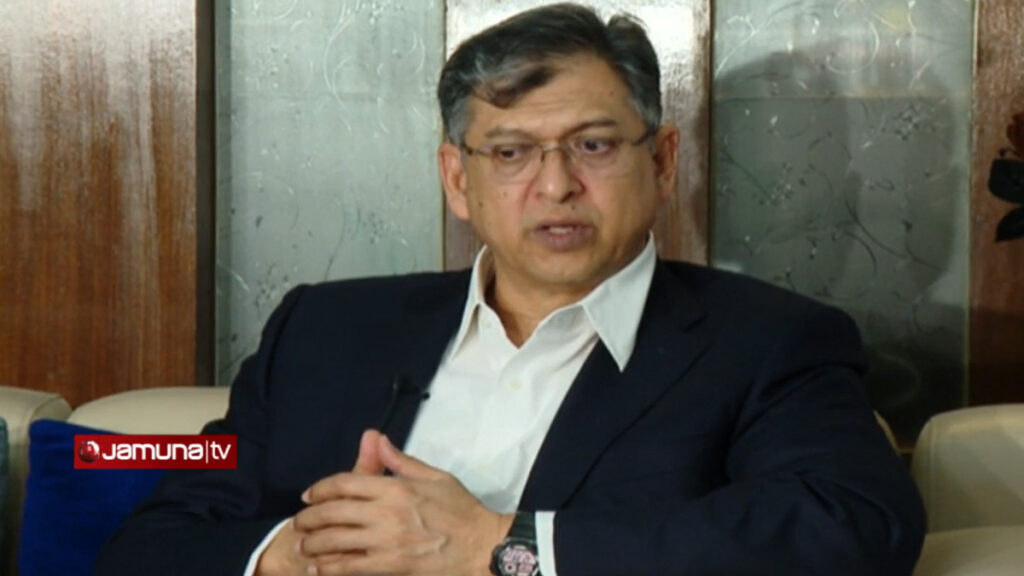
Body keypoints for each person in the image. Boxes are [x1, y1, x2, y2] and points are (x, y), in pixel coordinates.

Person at [96, 3, 925, 575]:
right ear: (458, 180)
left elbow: (854, 525)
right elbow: (153, 541)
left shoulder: (765, 342)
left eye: (594, 145)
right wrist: (287, 556)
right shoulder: (324, 329)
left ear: (663, 161)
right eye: (511, 153)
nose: (555, 186)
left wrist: (501, 547)